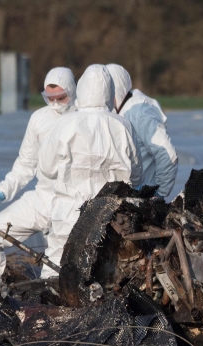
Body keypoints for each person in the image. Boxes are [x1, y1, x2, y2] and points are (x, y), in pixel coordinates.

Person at [0, 67, 77, 295]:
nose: (55, 104)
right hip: (42, 197)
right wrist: (5, 189)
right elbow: (26, 163)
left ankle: (56, 311)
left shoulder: (84, 119)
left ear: (73, 91)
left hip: (72, 202)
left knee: (57, 268)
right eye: (49, 98)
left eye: (61, 98)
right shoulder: (39, 119)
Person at [35, 64, 143, 268]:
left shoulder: (65, 123)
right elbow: (137, 175)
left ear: (82, 90)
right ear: (109, 92)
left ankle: (50, 300)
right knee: (106, 269)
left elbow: (46, 168)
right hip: (111, 214)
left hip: (68, 212)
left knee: (57, 267)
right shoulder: (122, 125)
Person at [105, 64, 178, 199]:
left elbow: (167, 153)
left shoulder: (140, 111)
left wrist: (158, 195)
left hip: (141, 199)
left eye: (108, 94)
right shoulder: (115, 113)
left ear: (118, 90)